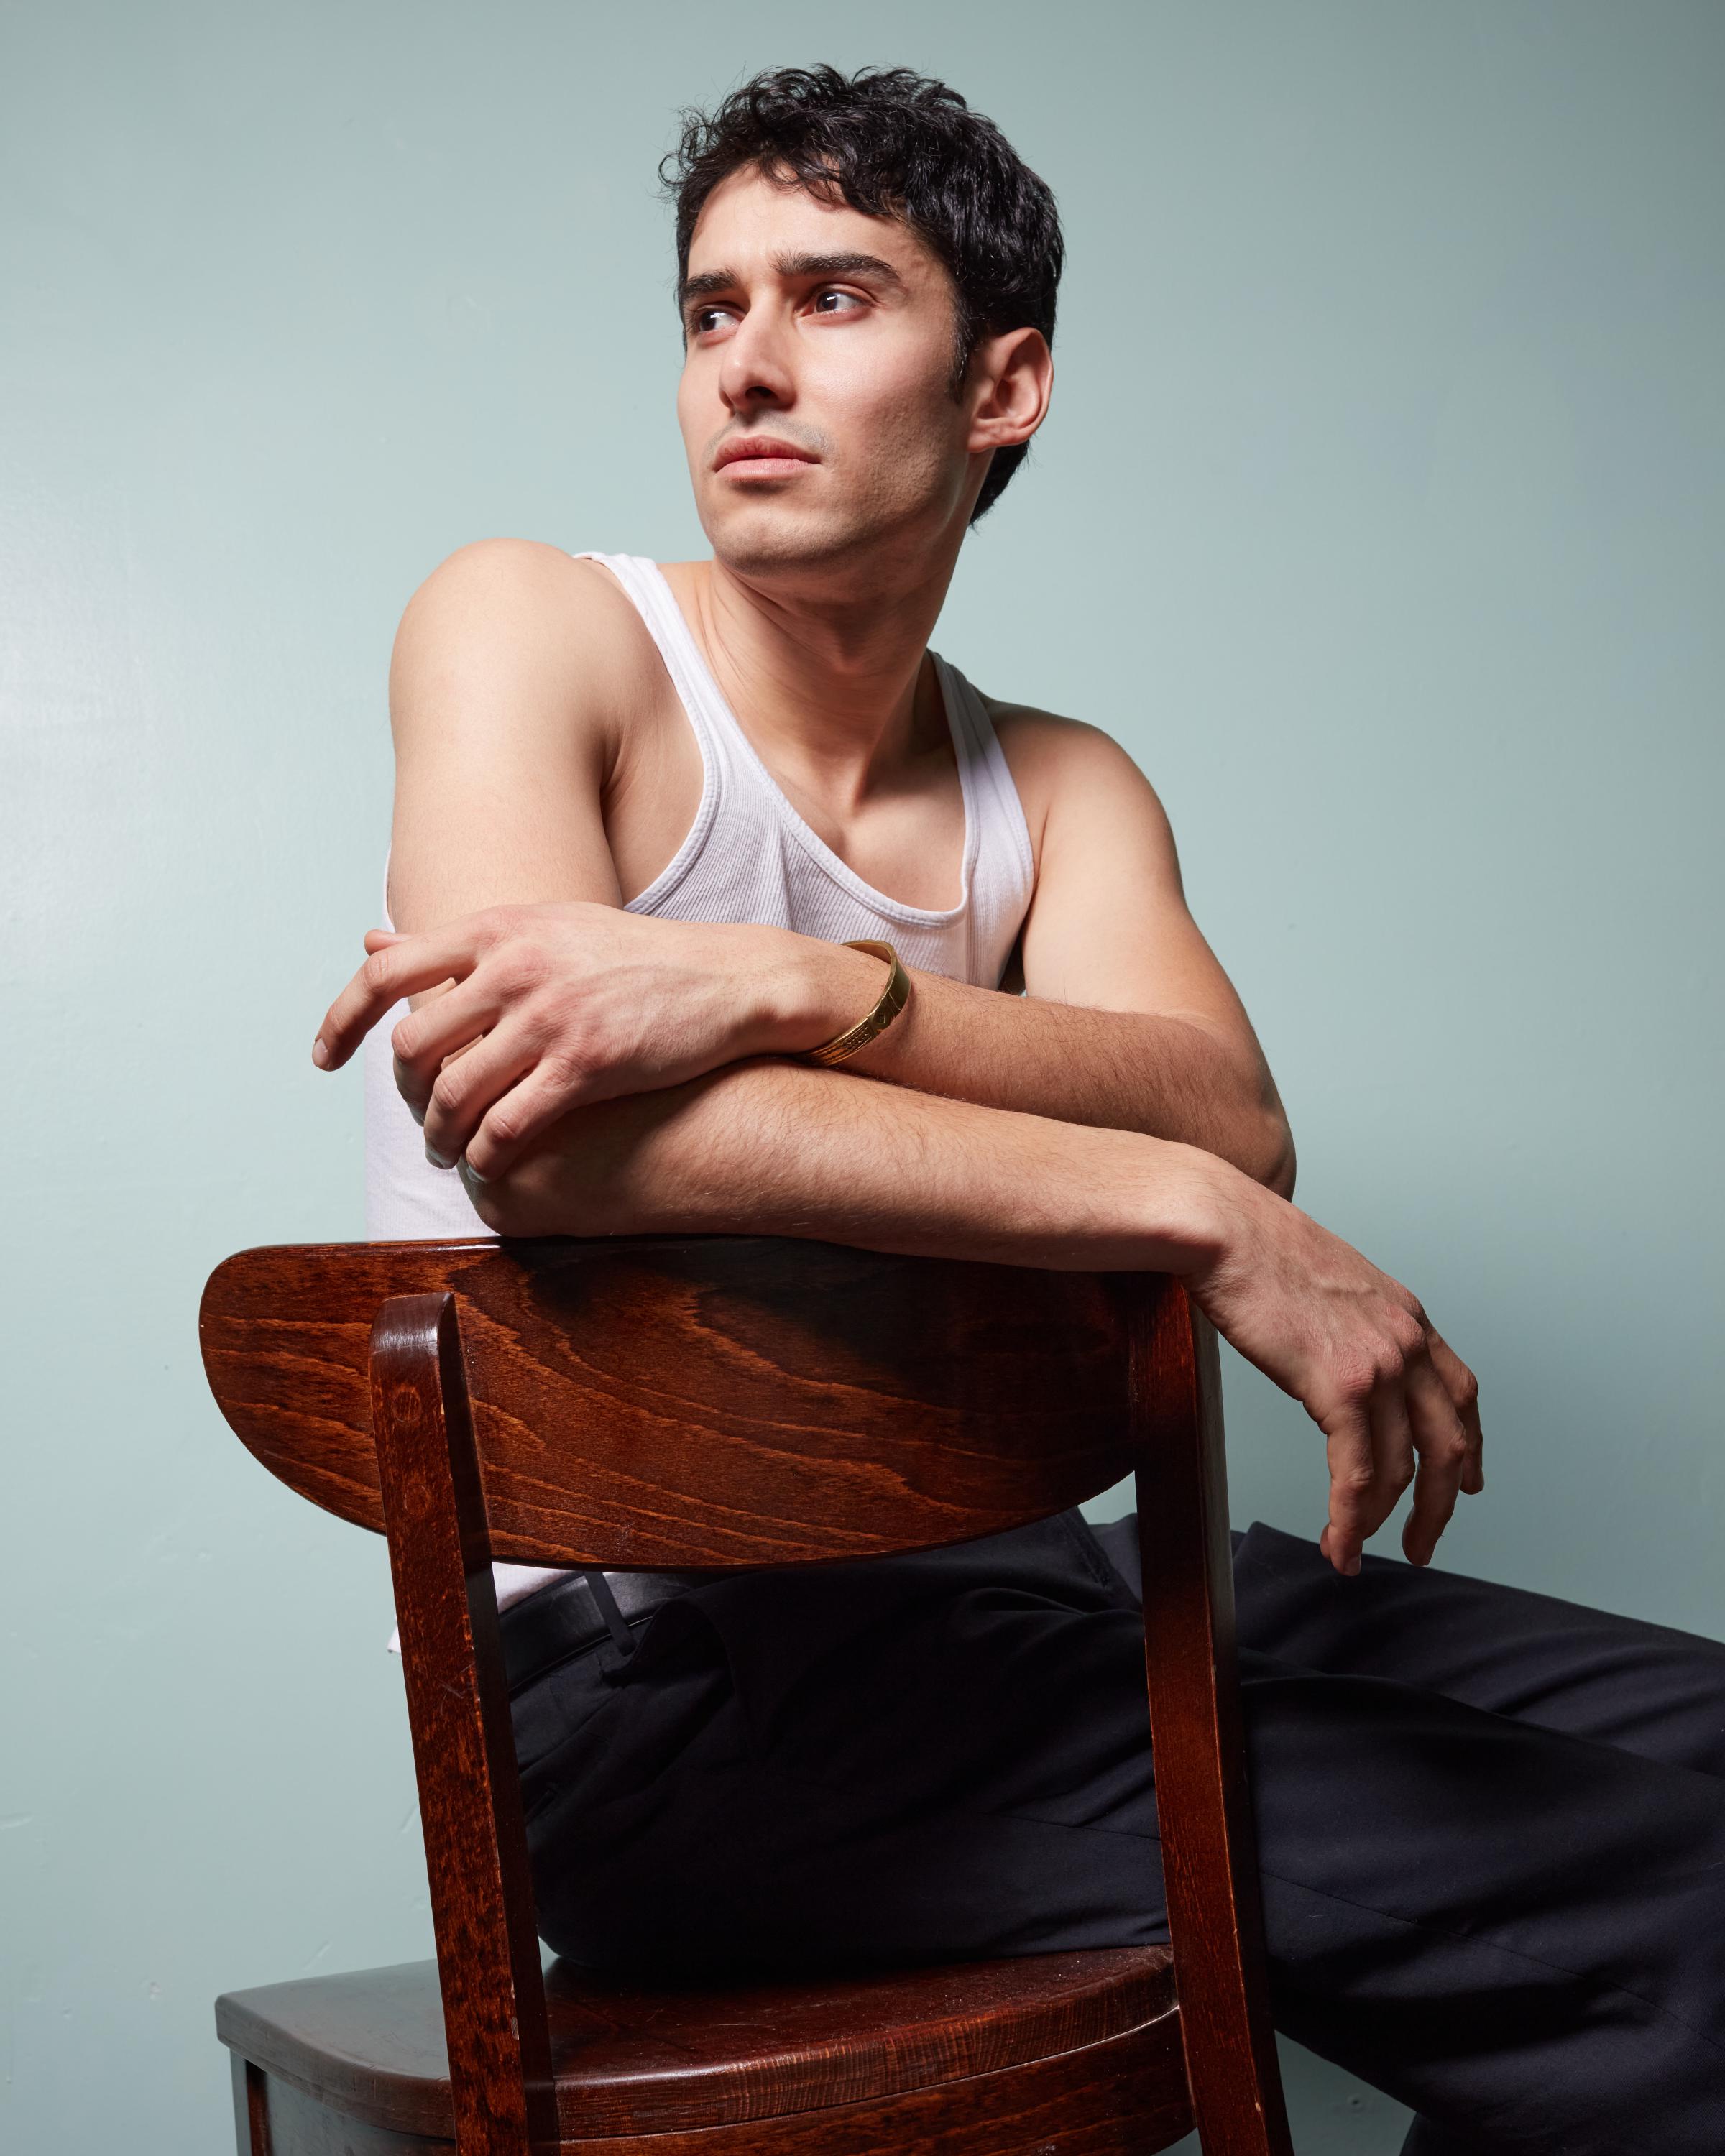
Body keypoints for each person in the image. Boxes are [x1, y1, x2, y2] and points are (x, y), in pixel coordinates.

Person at [312, 66, 1724, 2155]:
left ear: (1007, 384)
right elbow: (553, 1139)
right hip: (672, 1697)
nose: (749, 368)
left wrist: (798, 983)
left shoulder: (1052, 781)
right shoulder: (537, 625)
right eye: (710, 311)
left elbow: (1228, 1106)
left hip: (1041, 1594)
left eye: (835, 296)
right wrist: (1184, 1212)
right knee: (1678, 1911)